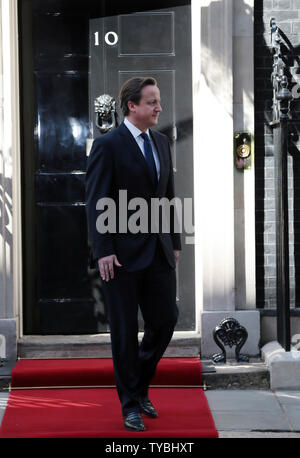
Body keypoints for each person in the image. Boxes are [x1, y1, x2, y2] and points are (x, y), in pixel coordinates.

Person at [85, 77, 181, 432]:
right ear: (132, 106)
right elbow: (97, 201)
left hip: (157, 250)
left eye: (158, 101)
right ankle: (130, 405)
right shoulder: (108, 145)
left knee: (166, 319)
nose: (159, 108)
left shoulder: (160, 141)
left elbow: (168, 194)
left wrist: (174, 242)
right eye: (152, 102)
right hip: (120, 257)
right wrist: (104, 250)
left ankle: (139, 387)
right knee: (124, 332)